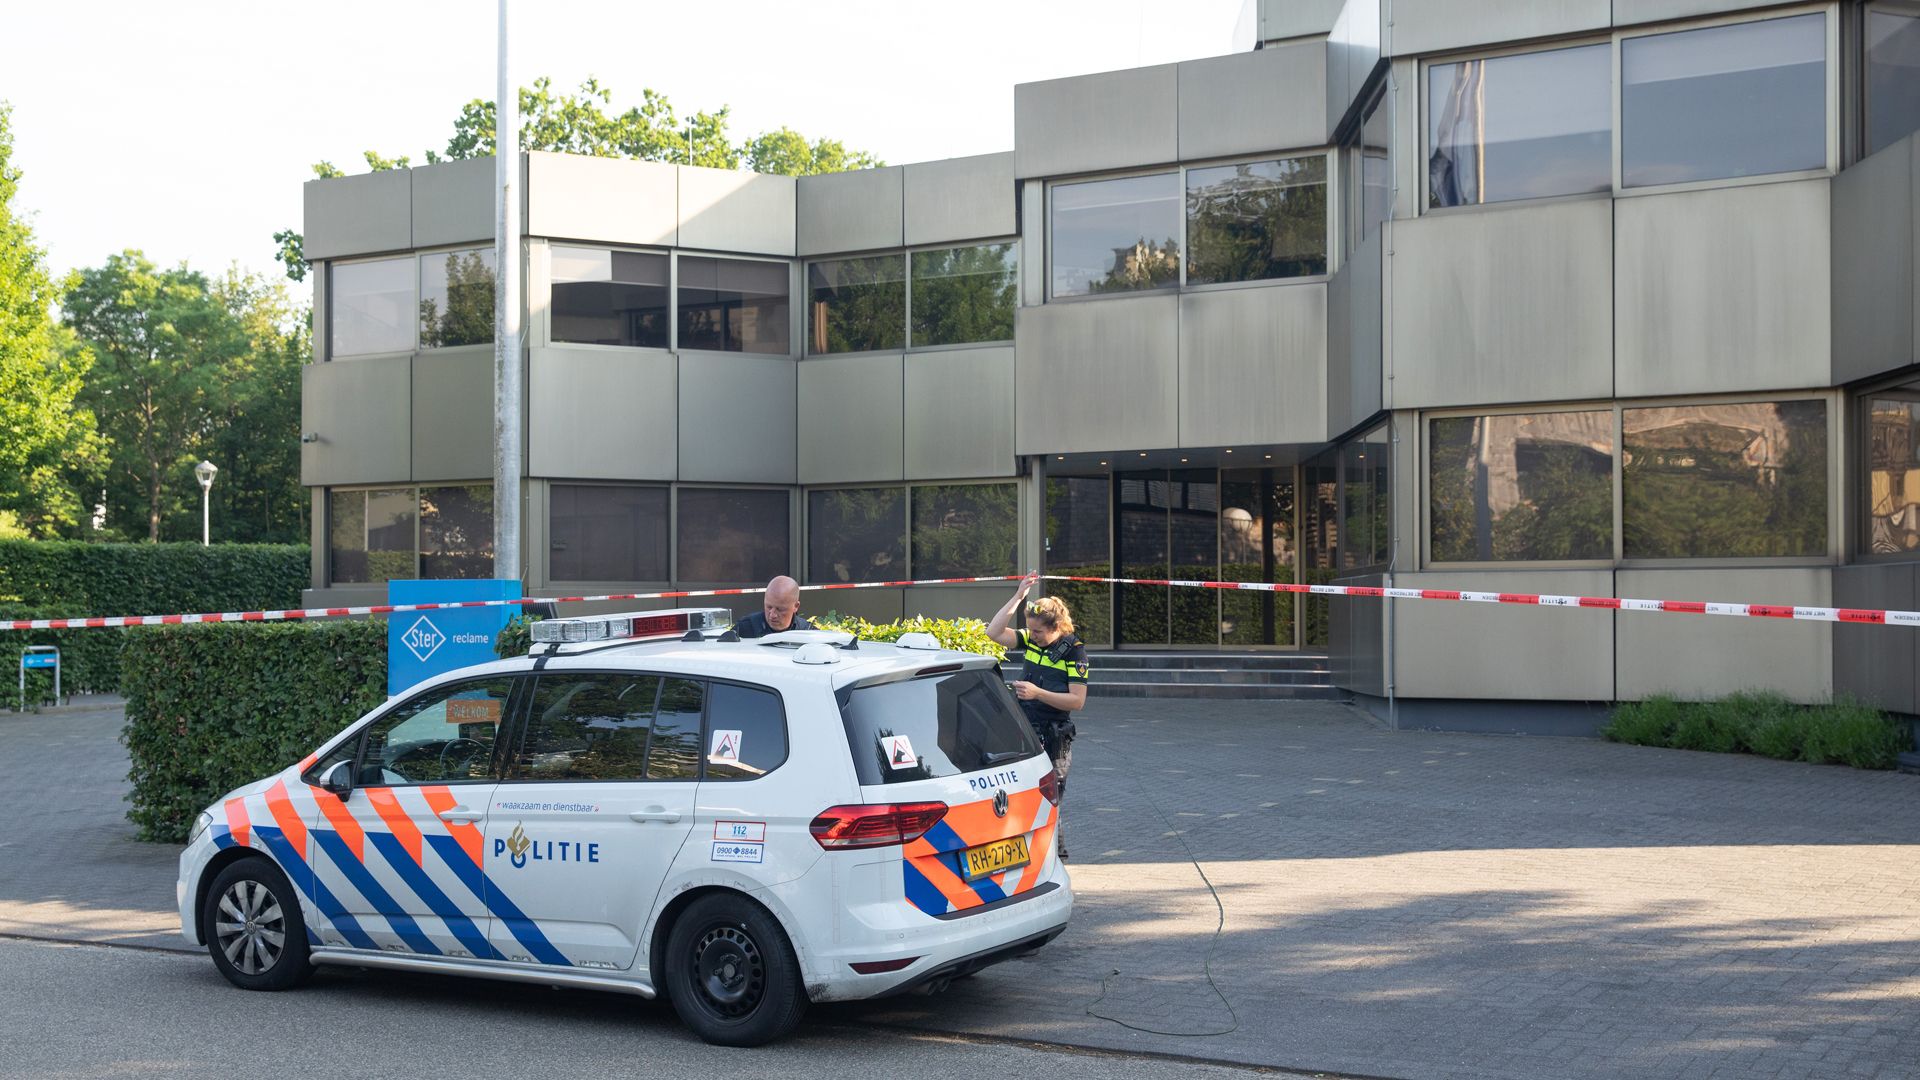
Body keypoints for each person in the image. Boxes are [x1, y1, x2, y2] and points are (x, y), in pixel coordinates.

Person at [987, 572, 1087, 857]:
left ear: (1056, 627)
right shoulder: (1031, 641)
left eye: (1038, 632)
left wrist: (1037, 693)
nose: (1033, 636)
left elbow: (1077, 701)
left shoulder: (1074, 653)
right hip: (1027, 730)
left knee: (1049, 798)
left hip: (1055, 736)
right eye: (1030, 630)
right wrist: (1018, 596)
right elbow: (993, 633)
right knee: (1022, 795)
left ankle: (1055, 856)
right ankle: (1042, 853)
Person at [730, 576, 816, 638]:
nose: (772, 615)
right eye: (769, 607)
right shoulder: (744, 629)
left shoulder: (808, 633)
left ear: (796, 606)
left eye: (780, 609)